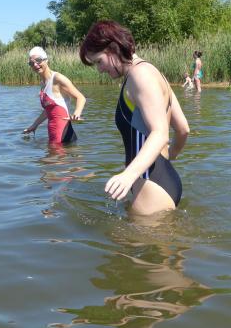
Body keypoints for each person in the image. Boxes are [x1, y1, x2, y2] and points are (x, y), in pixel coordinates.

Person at [80, 20, 190, 215]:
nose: (100, 69)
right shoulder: (152, 72)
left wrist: (128, 175)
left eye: (99, 61)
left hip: (149, 185)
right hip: (160, 179)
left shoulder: (140, 76)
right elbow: (183, 129)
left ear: (113, 49)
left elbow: (160, 133)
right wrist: (168, 158)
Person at [23, 46, 86, 144]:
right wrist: (34, 125)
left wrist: (76, 113)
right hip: (53, 136)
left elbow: (81, 97)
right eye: (31, 63)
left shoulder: (57, 79)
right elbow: (49, 110)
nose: (35, 65)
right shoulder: (43, 83)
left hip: (64, 137)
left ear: (46, 60)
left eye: (38, 60)